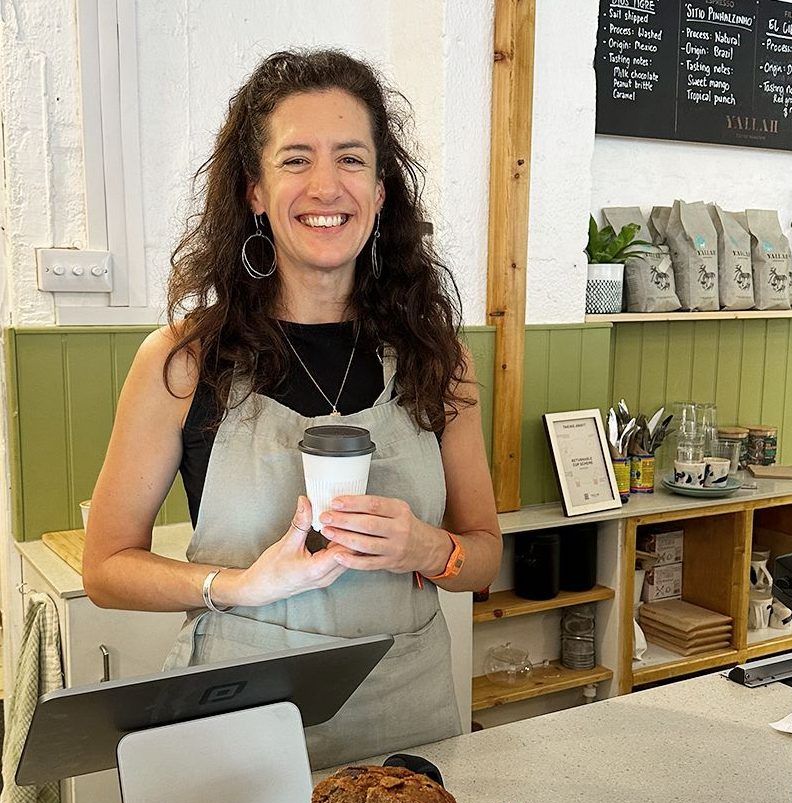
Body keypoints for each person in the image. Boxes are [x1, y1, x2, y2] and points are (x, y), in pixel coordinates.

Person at [82, 49, 502, 767]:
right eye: (295, 159)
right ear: (253, 190)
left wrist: (427, 548)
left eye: (350, 159)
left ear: (379, 190)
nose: (325, 186)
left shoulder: (439, 360)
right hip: (242, 722)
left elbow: (482, 555)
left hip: (407, 720)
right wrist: (236, 586)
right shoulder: (184, 362)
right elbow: (106, 567)